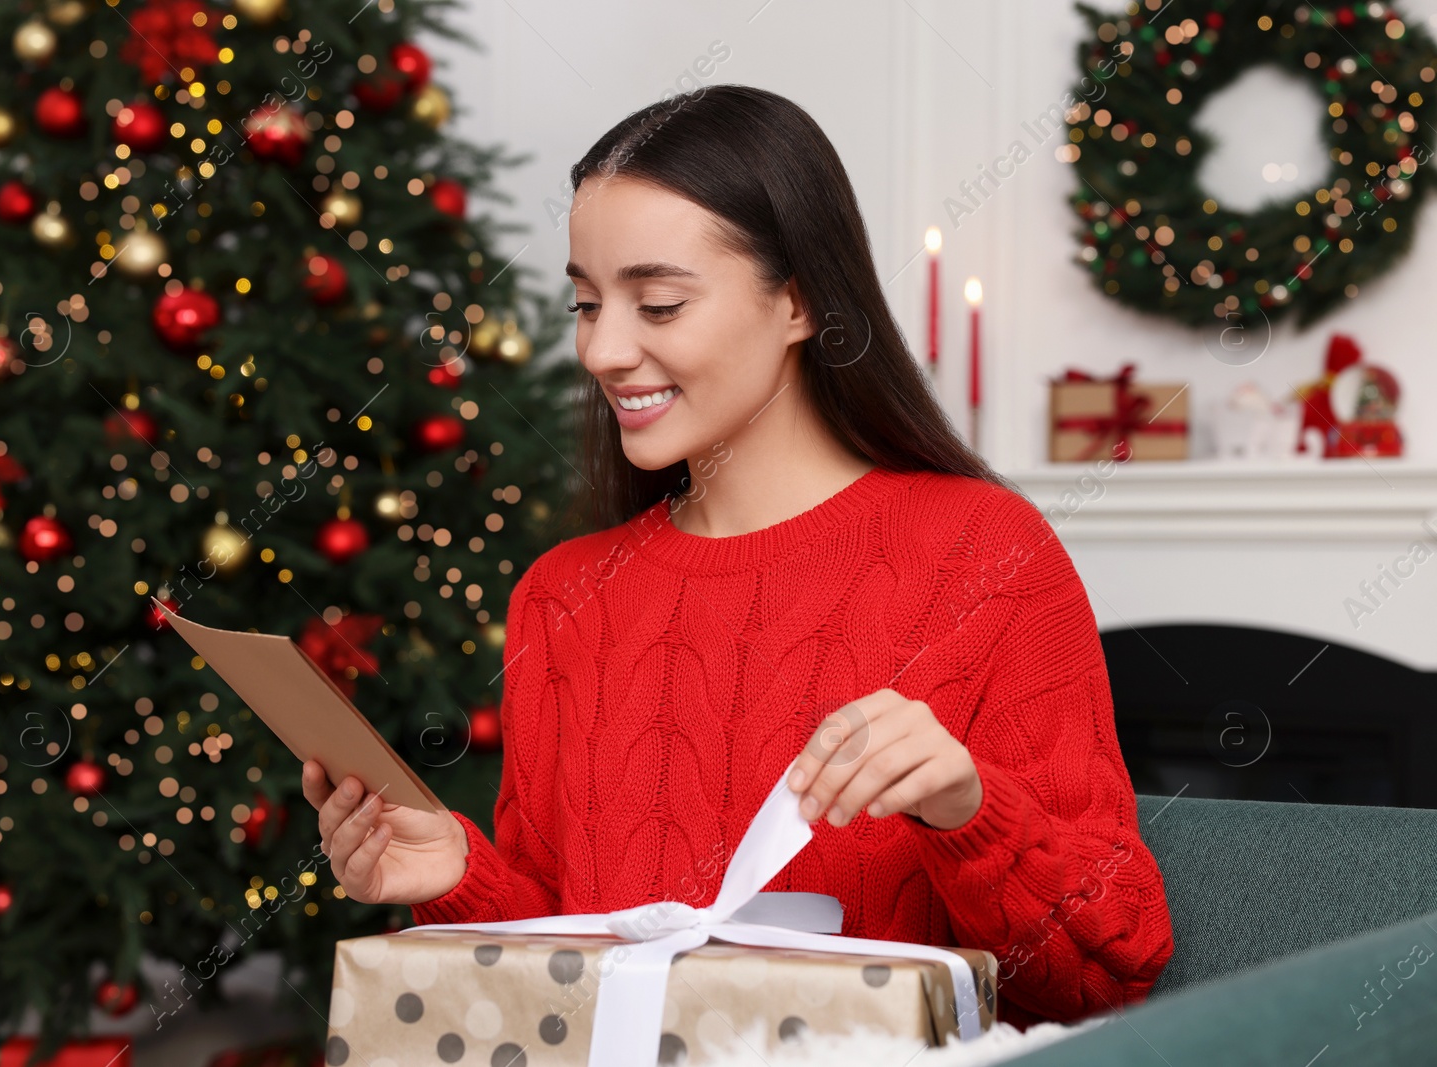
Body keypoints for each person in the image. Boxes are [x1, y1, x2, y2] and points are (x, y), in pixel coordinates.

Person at [301, 83, 1173, 1027]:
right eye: (586, 304)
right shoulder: (563, 598)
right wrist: (457, 880)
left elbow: (1107, 975)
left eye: (659, 303)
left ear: (798, 302)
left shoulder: (985, 553)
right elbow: (572, 994)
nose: (602, 349)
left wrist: (969, 809)